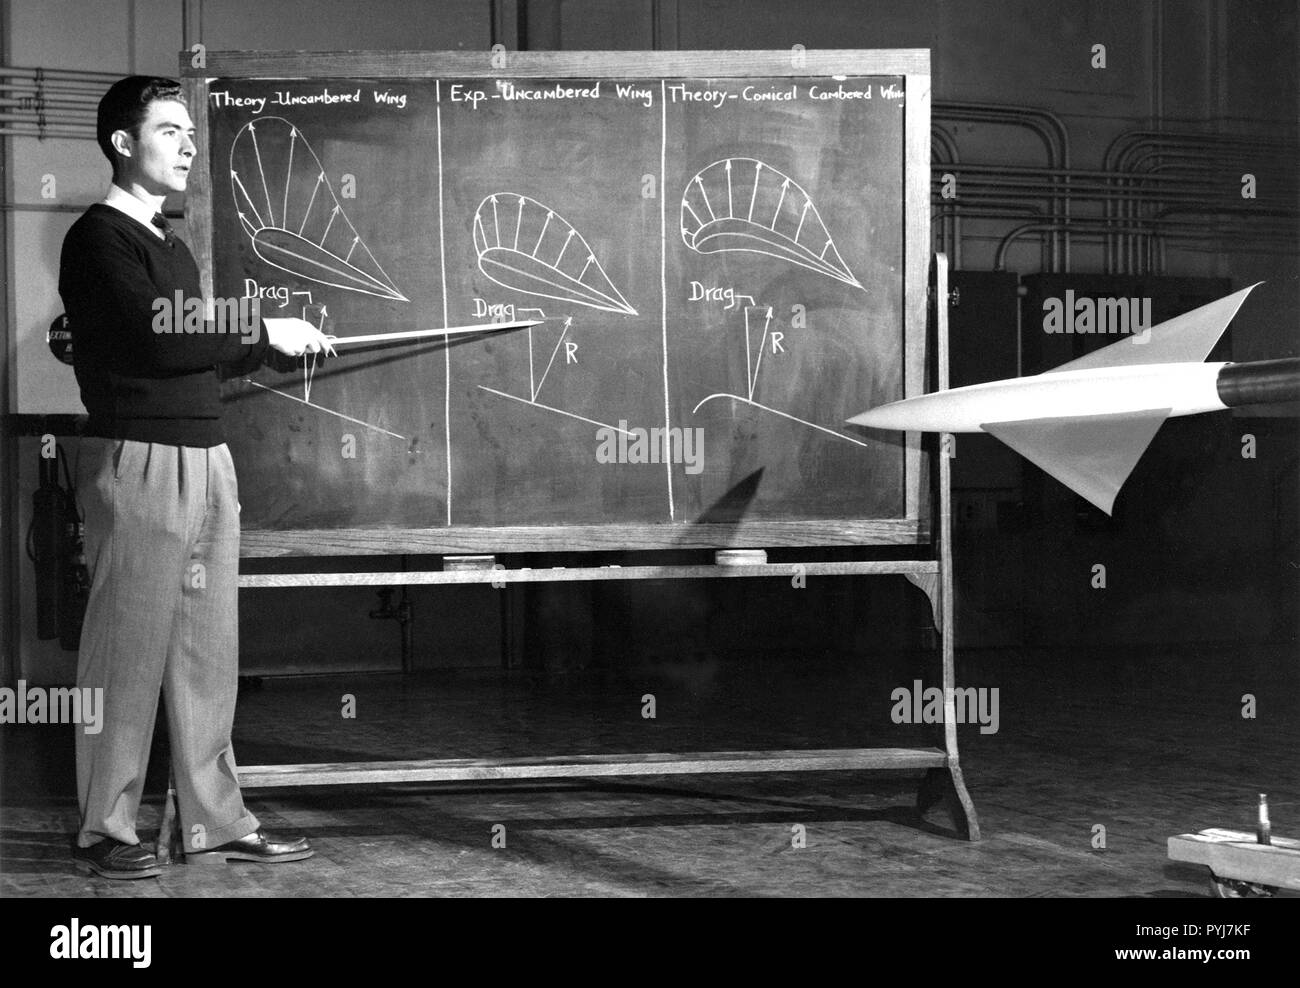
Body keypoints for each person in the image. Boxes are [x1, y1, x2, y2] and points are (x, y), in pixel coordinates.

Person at [59, 76, 331, 879]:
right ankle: (106, 830)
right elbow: (156, 336)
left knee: (207, 656)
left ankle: (215, 819)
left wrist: (253, 343)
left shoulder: (170, 245)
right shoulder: (98, 239)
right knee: (125, 657)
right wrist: (259, 325)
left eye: (188, 131)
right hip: (137, 460)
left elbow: (193, 347)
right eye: (169, 129)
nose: (186, 145)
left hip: (207, 457)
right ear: (121, 142)